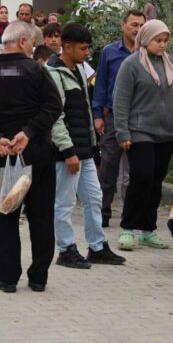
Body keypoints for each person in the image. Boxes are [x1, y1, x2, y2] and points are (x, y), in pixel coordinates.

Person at [0, 21, 62, 293]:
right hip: (36, 152)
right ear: (22, 41)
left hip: (1, 155)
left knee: (6, 215)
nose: (33, 48)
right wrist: (28, 133)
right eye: (32, 42)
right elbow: (54, 106)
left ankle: (8, 279)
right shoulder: (37, 71)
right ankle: (39, 278)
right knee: (41, 216)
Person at [47, 23, 126, 269]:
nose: (87, 53)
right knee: (64, 203)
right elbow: (55, 117)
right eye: (83, 48)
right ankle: (66, 249)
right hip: (66, 153)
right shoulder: (53, 73)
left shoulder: (80, 69)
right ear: (67, 47)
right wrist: (67, 151)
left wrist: (92, 144)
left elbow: (85, 111)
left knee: (94, 198)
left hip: (85, 149)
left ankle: (97, 247)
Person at [112, 19, 173, 252]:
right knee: (141, 177)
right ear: (145, 39)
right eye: (158, 40)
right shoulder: (131, 64)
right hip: (140, 132)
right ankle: (127, 228)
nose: (162, 45)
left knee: (155, 182)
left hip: (167, 133)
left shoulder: (170, 64)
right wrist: (122, 132)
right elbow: (120, 100)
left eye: (165, 40)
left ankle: (148, 230)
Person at [93, 9, 146, 228]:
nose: (138, 29)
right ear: (123, 26)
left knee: (138, 169)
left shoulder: (148, 53)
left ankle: (134, 215)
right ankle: (103, 213)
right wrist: (97, 115)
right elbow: (101, 83)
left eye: (141, 25)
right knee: (108, 167)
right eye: (134, 25)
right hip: (113, 117)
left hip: (140, 119)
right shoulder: (109, 52)